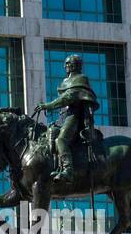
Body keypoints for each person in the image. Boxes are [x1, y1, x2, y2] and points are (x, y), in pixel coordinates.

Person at [33, 54, 100, 186]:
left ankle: (68, 170)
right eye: (66, 64)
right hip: (64, 116)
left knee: (61, 139)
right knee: (50, 134)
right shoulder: (66, 81)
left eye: (68, 63)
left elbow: (68, 98)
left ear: (75, 65)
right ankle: (53, 166)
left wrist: (47, 105)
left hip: (74, 116)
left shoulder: (80, 79)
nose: (65, 66)